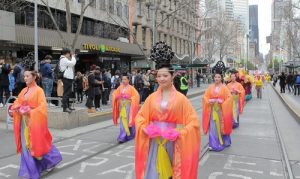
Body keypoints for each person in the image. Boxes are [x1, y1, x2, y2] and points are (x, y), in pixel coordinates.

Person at [135, 42, 200, 179]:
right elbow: (140, 117)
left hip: (173, 143)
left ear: (172, 77)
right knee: (155, 171)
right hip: (155, 141)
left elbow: (193, 123)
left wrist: (180, 133)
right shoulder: (151, 98)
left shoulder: (181, 99)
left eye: (165, 76)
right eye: (159, 76)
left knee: (172, 171)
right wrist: (146, 129)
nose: (161, 79)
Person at [12, 70, 62, 179]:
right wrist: (13, 108)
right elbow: (18, 102)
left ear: (34, 77)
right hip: (24, 124)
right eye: (24, 76)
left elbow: (42, 107)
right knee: (27, 147)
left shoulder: (39, 91)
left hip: (35, 123)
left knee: (39, 146)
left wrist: (30, 111)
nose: (25, 78)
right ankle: (31, 171)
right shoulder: (24, 90)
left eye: (27, 76)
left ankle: (52, 160)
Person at [202, 71, 233, 152]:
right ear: (213, 78)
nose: (217, 78)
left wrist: (222, 102)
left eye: (219, 77)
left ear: (221, 78)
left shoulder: (224, 88)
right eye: (215, 77)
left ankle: (223, 141)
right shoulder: (210, 87)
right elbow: (205, 96)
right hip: (212, 110)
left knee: (221, 126)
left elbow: (230, 98)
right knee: (213, 127)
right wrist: (209, 100)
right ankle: (213, 144)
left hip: (221, 110)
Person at [112, 73, 140, 143]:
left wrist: (130, 98)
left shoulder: (131, 88)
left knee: (127, 120)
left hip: (128, 106)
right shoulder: (120, 87)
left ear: (128, 80)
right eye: (122, 79)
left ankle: (126, 135)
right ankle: (123, 135)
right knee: (122, 120)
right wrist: (116, 96)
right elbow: (115, 93)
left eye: (125, 79)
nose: (123, 81)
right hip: (122, 106)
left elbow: (137, 96)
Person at [59, 48, 76, 113]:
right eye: (69, 53)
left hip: (68, 78)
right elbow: (72, 63)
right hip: (66, 78)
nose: (70, 55)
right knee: (66, 93)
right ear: (67, 53)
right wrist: (73, 57)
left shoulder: (65, 59)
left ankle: (68, 107)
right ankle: (65, 108)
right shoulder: (63, 59)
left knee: (68, 93)